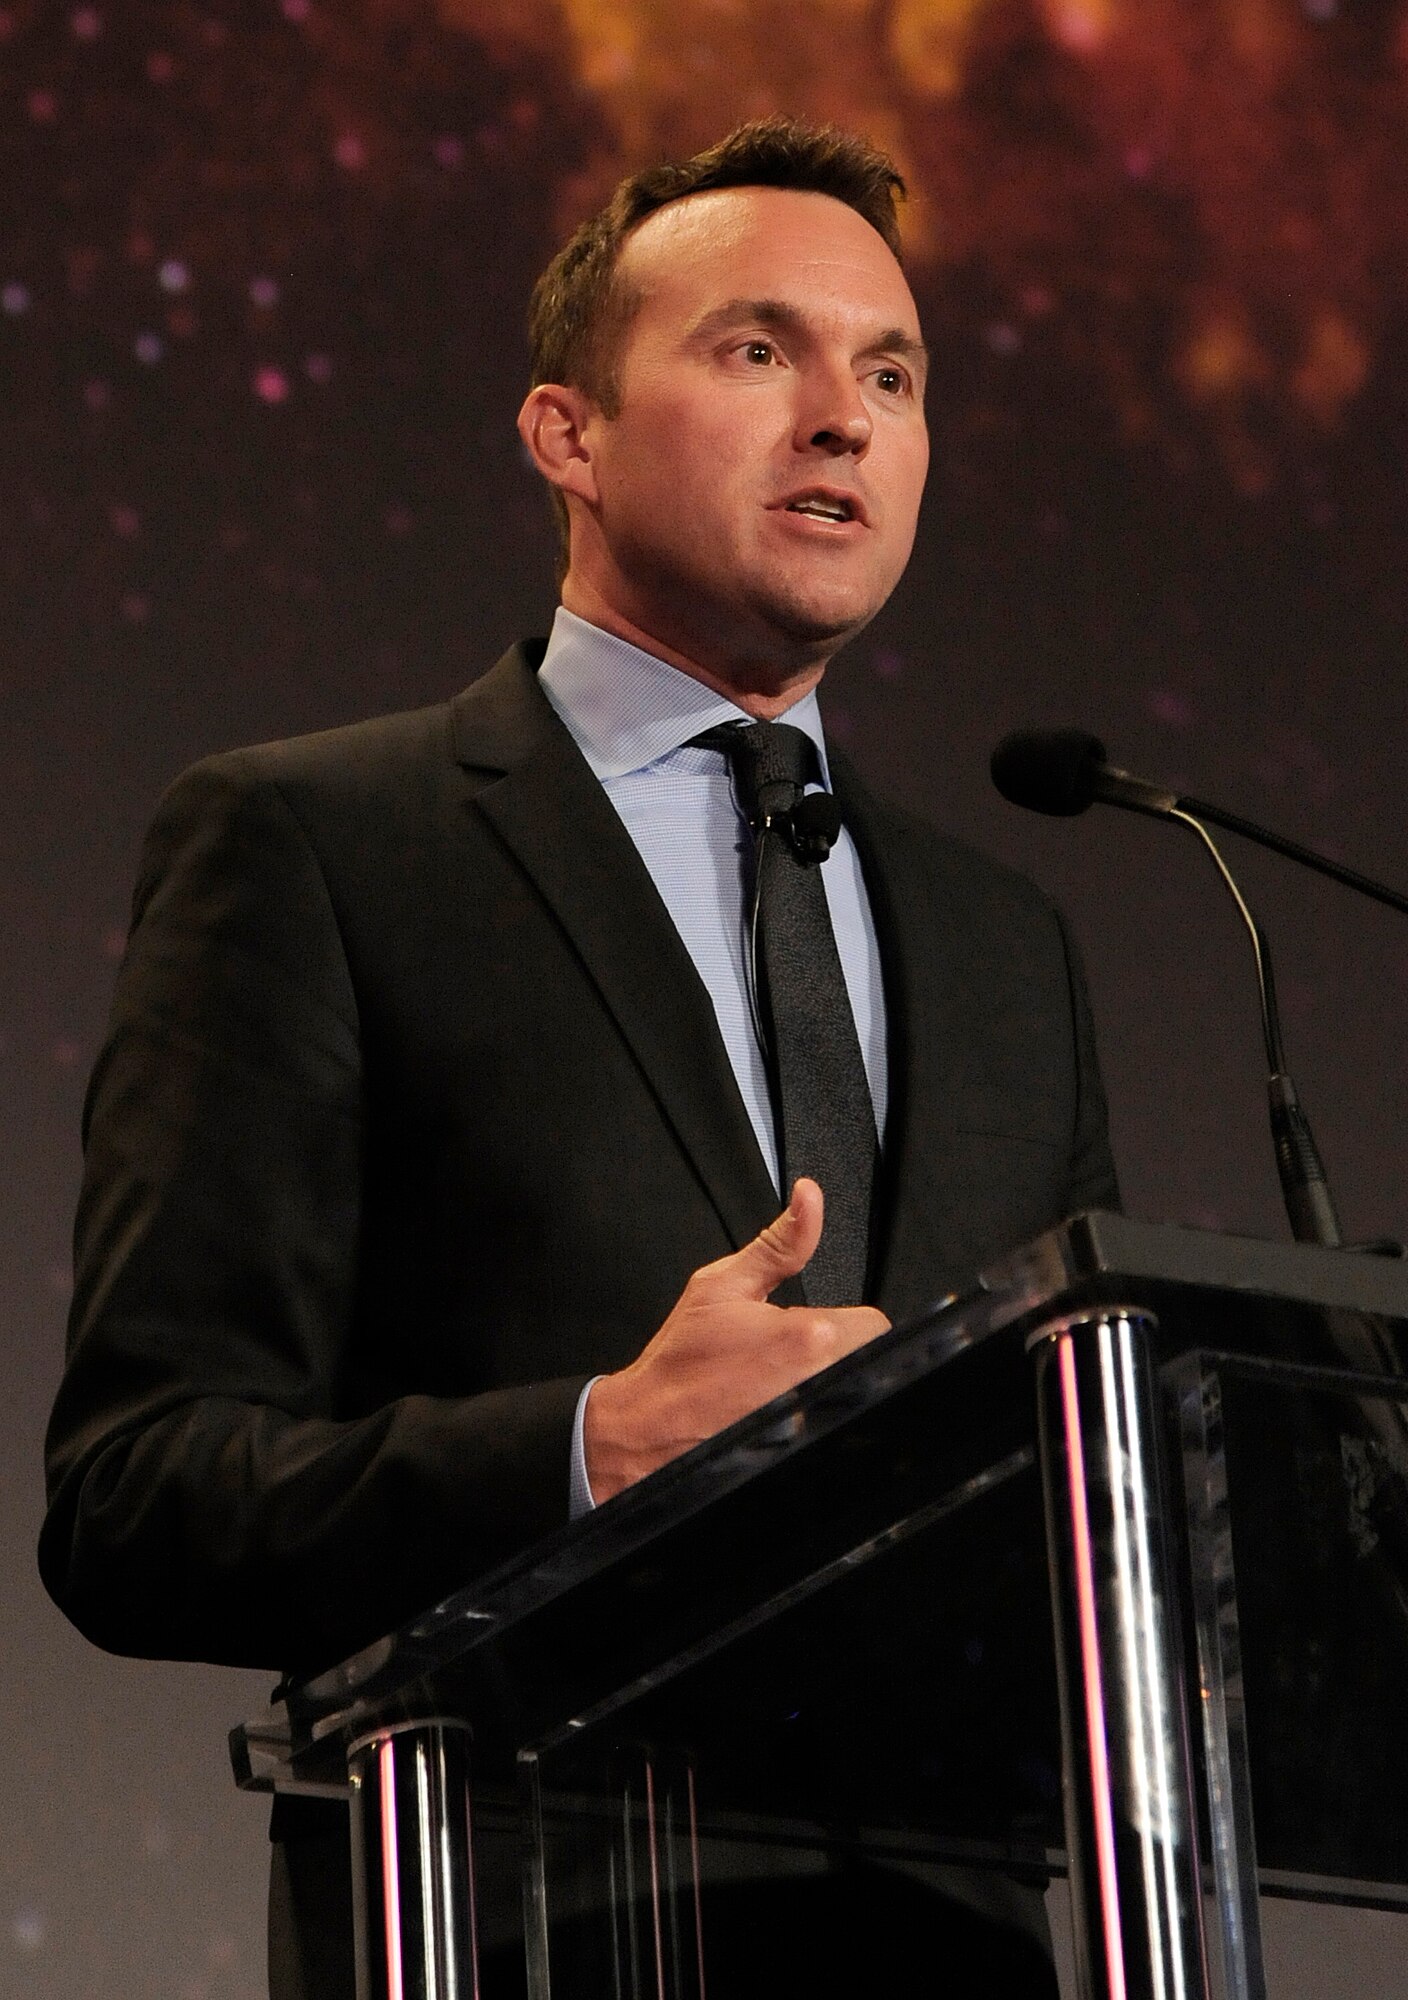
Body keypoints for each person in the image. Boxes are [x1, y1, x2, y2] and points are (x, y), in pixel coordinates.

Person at [40, 120, 1117, 1997]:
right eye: (756, 351)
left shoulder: (1007, 945)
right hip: (528, 1921)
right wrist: (585, 1446)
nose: (844, 420)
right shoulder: (315, 846)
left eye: (890, 374)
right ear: (568, 435)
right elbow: (138, 1498)